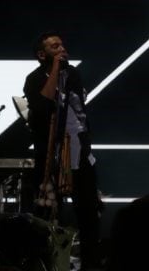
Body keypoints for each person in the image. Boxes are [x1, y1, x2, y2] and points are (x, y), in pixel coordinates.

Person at [23, 31, 101, 270]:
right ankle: (45, 263)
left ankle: (91, 263)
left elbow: (79, 109)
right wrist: (55, 68)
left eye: (61, 45)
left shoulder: (73, 74)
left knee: (88, 211)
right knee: (47, 212)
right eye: (54, 46)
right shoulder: (34, 79)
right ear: (42, 54)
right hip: (51, 154)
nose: (61, 49)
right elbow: (44, 106)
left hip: (78, 151)